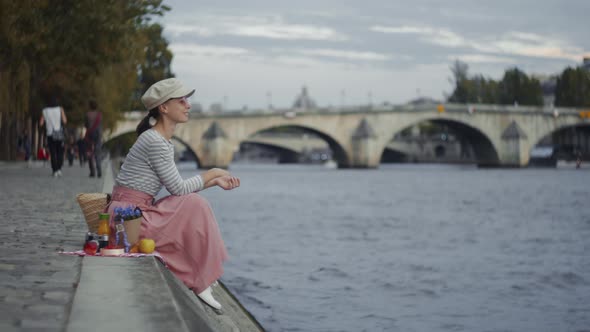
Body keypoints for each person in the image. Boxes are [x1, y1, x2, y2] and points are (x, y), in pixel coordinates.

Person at [106, 78, 240, 312]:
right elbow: (178, 189)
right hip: (127, 220)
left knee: (192, 205)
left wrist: (213, 181)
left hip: (132, 215)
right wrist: (213, 173)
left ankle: (200, 275)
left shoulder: (161, 141)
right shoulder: (154, 141)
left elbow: (177, 188)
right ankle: (199, 280)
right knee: (193, 205)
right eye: (182, 100)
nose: (188, 105)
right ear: (163, 108)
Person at [39, 97, 67, 177]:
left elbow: (41, 123)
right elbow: (65, 120)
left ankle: (54, 170)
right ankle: (59, 169)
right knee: (60, 152)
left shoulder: (45, 111)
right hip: (58, 133)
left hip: (50, 133)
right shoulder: (60, 109)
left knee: (53, 152)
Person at [85, 100, 103, 177]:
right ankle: (99, 171)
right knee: (97, 153)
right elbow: (100, 124)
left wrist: (89, 129)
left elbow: (85, 125)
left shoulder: (87, 114)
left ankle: (92, 171)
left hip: (89, 134)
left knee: (90, 153)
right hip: (98, 135)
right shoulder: (99, 115)